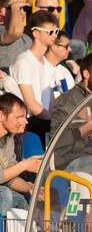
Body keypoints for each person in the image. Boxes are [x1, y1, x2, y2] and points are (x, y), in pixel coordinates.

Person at [48, 53, 92, 176]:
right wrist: (86, 128)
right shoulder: (67, 101)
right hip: (68, 161)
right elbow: (55, 141)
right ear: (86, 74)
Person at [9, 10, 59, 140]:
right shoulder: (24, 62)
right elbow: (30, 104)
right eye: (50, 32)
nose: (55, 35)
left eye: (56, 31)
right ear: (36, 33)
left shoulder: (48, 65)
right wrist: (54, 120)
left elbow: (52, 101)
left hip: (44, 119)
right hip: (27, 122)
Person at [0, 93, 41, 217]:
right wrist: (24, 165)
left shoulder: (8, 138)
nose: (25, 121)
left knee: (22, 199)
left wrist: (30, 187)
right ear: (1, 115)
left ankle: (28, 230)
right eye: (19, 117)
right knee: (5, 193)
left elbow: (9, 177)